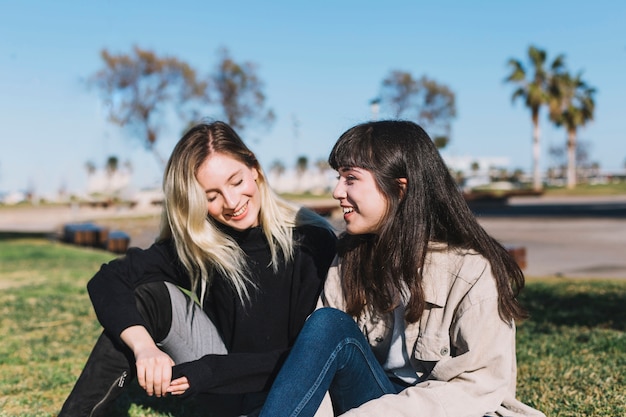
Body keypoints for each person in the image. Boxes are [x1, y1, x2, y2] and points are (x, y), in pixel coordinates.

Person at [257, 120, 546, 417]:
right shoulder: (349, 257)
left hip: (439, 411)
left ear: (399, 188)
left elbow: (478, 386)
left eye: (350, 178)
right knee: (327, 324)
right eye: (338, 177)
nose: (336, 191)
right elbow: (320, 370)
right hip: (373, 398)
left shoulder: (471, 271)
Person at [58, 121, 337, 417]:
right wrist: (144, 347)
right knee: (149, 297)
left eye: (236, 181)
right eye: (211, 196)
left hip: (285, 389)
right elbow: (109, 279)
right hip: (220, 392)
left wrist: (208, 371)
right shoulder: (203, 243)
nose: (231, 203)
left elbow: (310, 357)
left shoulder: (311, 241)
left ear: (254, 169)